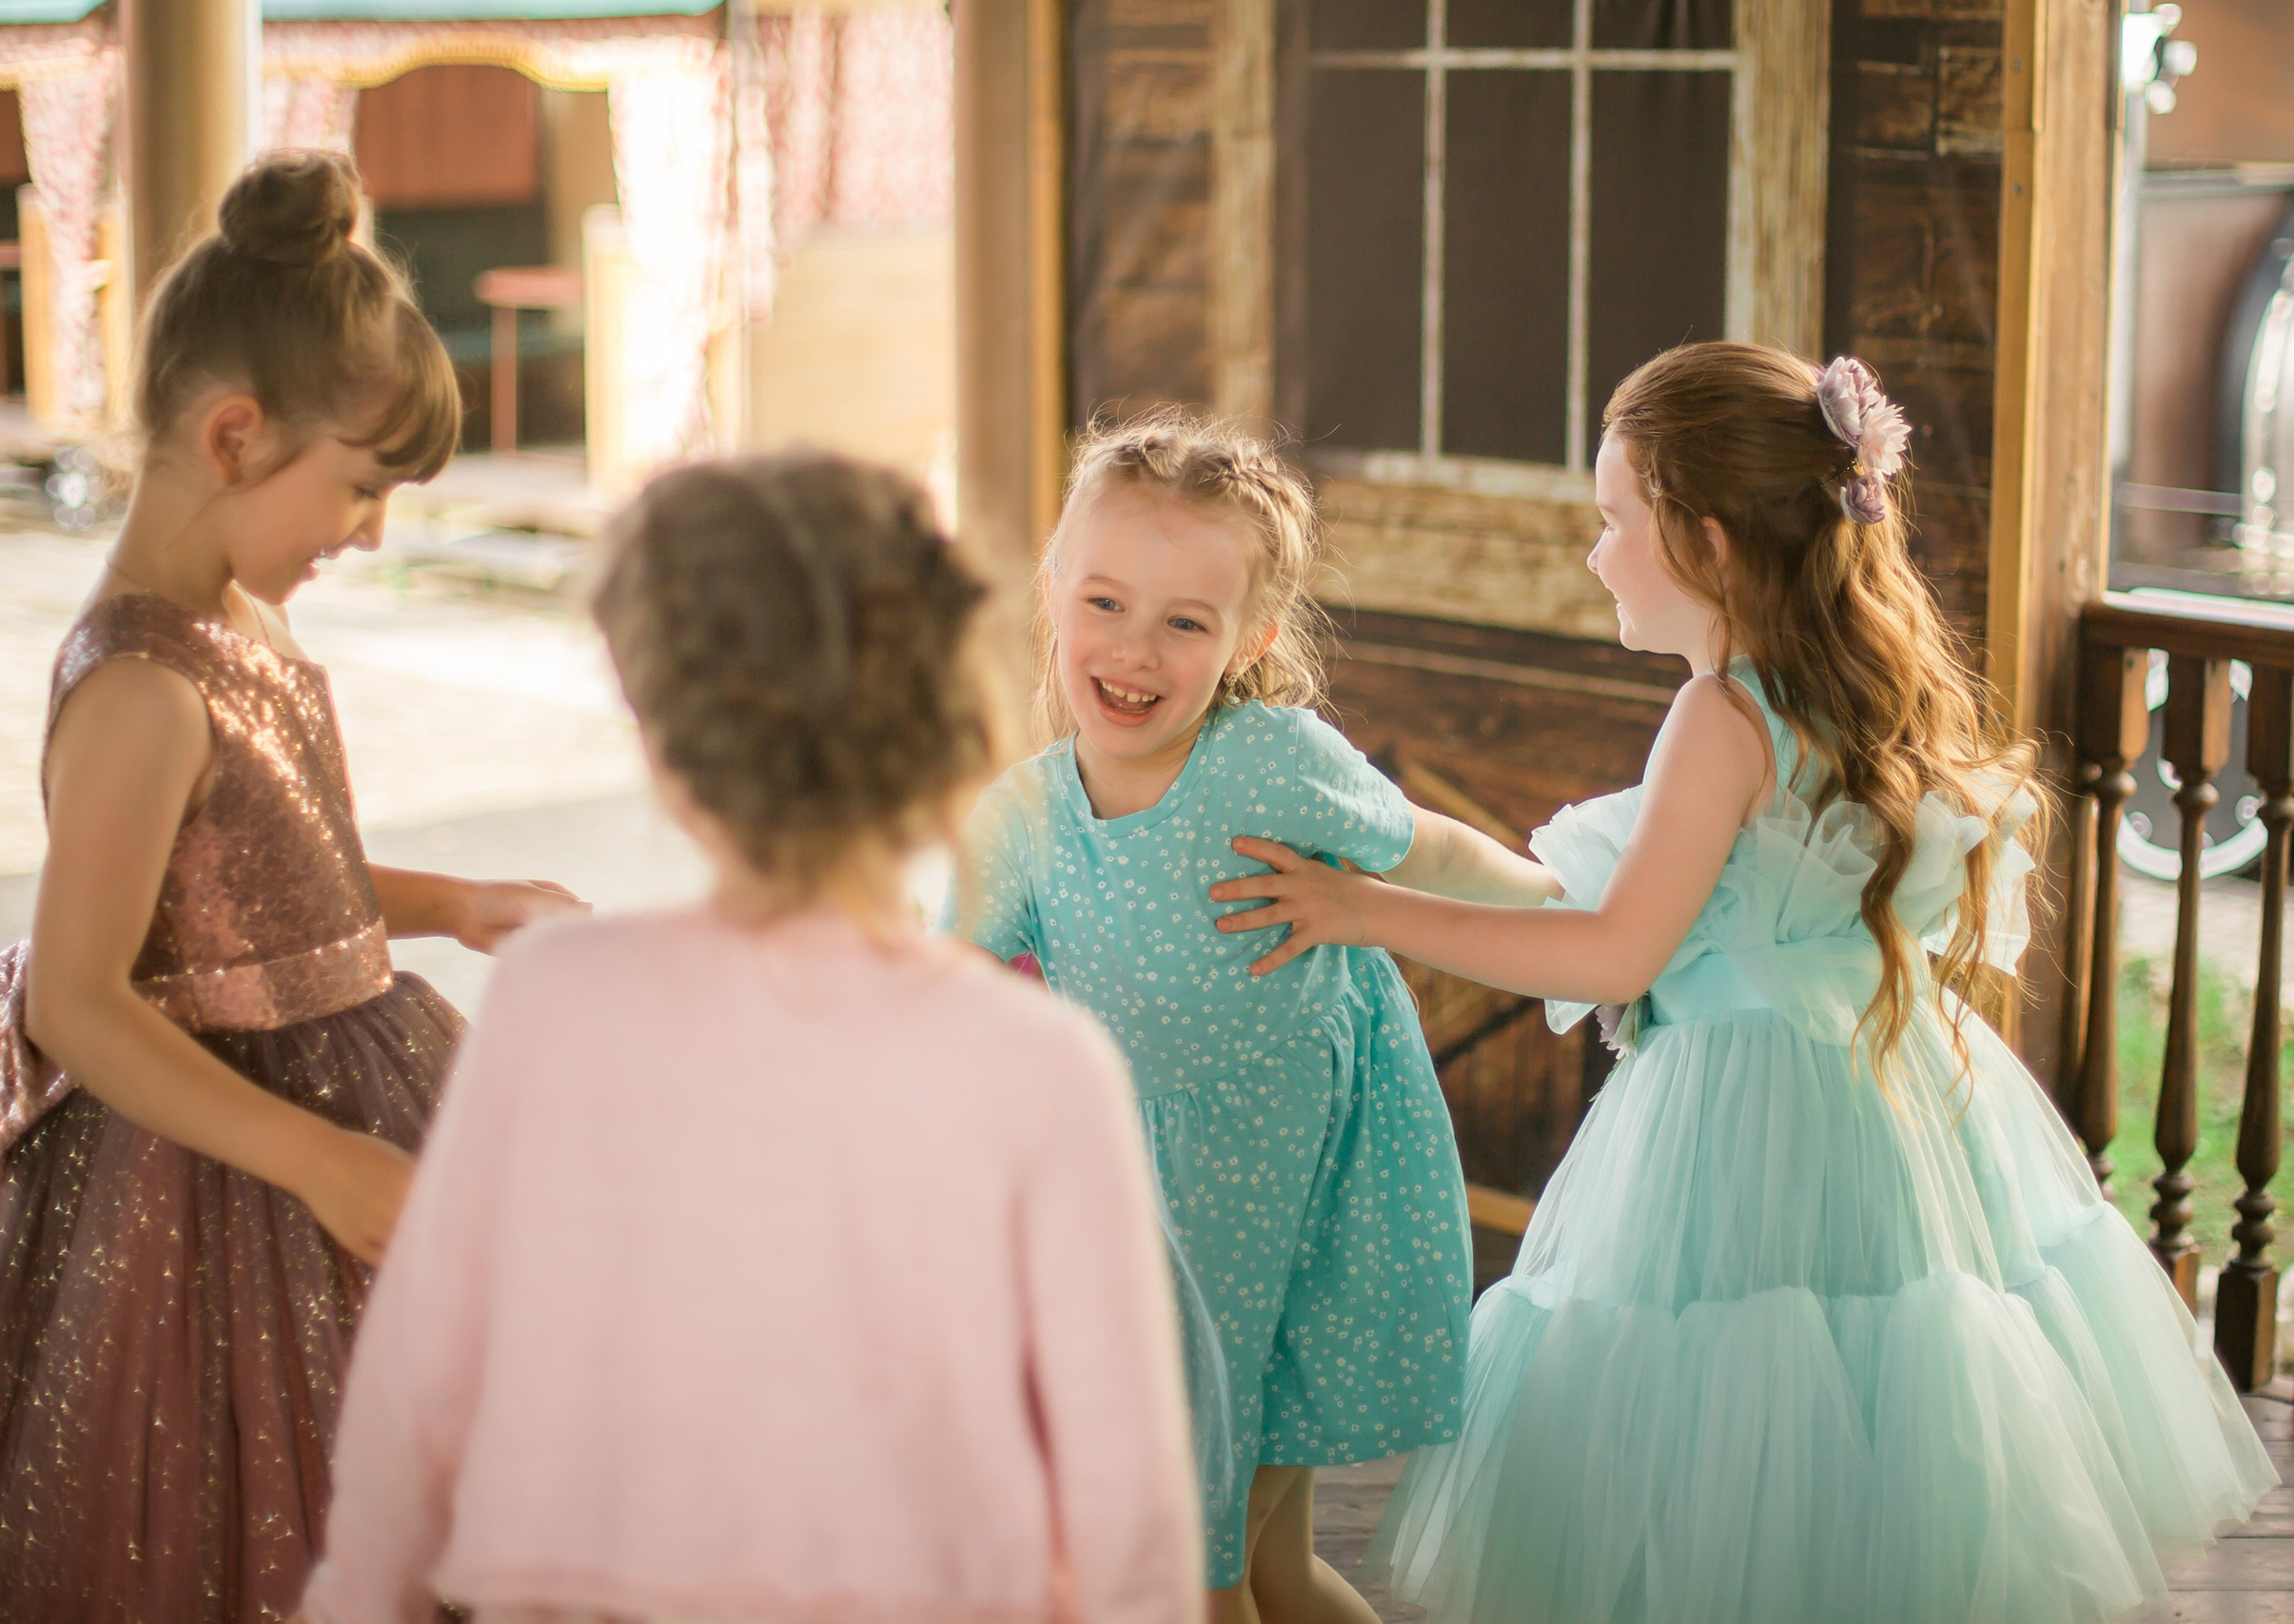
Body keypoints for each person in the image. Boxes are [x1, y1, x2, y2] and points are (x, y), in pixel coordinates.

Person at [1209, 342, 2279, 1623]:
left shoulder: (1721, 718)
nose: (1596, 553)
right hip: (1887, 1108)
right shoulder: (1846, 697)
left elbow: (1615, 952)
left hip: (1738, 1127)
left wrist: (1362, 909)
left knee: (1723, 1455)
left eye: (1615, 522)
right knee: (1872, 1457)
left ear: (1707, 544)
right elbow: (1655, 903)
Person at [0, 149, 583, 1622]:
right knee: (234, 1498)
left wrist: (456, 901)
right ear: (239, 434)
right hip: (204, 1185)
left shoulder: (237, 612)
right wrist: (320, 1161)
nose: (372, 531)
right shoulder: (135, 683)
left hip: (345, 1094)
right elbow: (79, 994)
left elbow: (269, 875)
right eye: (363, 486)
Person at [299, 453, 1202, 1624]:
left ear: (671, 752)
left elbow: (423, 1377)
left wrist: (358, 1606)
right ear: (941, 717)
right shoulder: (1039, 1068)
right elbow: (1127, 1502)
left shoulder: (559, 1001)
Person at [944, 410, 1552, 1624]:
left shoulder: (1273, 763)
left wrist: (1561, 905)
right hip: (1150, 1234)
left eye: (1185, 621)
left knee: (1208, 1568)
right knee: (1243, 1560)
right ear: (1051, 594)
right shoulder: (1015, 820)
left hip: (1310, 1201)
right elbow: (935, 991)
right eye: (1104, 603)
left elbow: (1425, 845)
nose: (1134, 649)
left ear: (1248, 640)